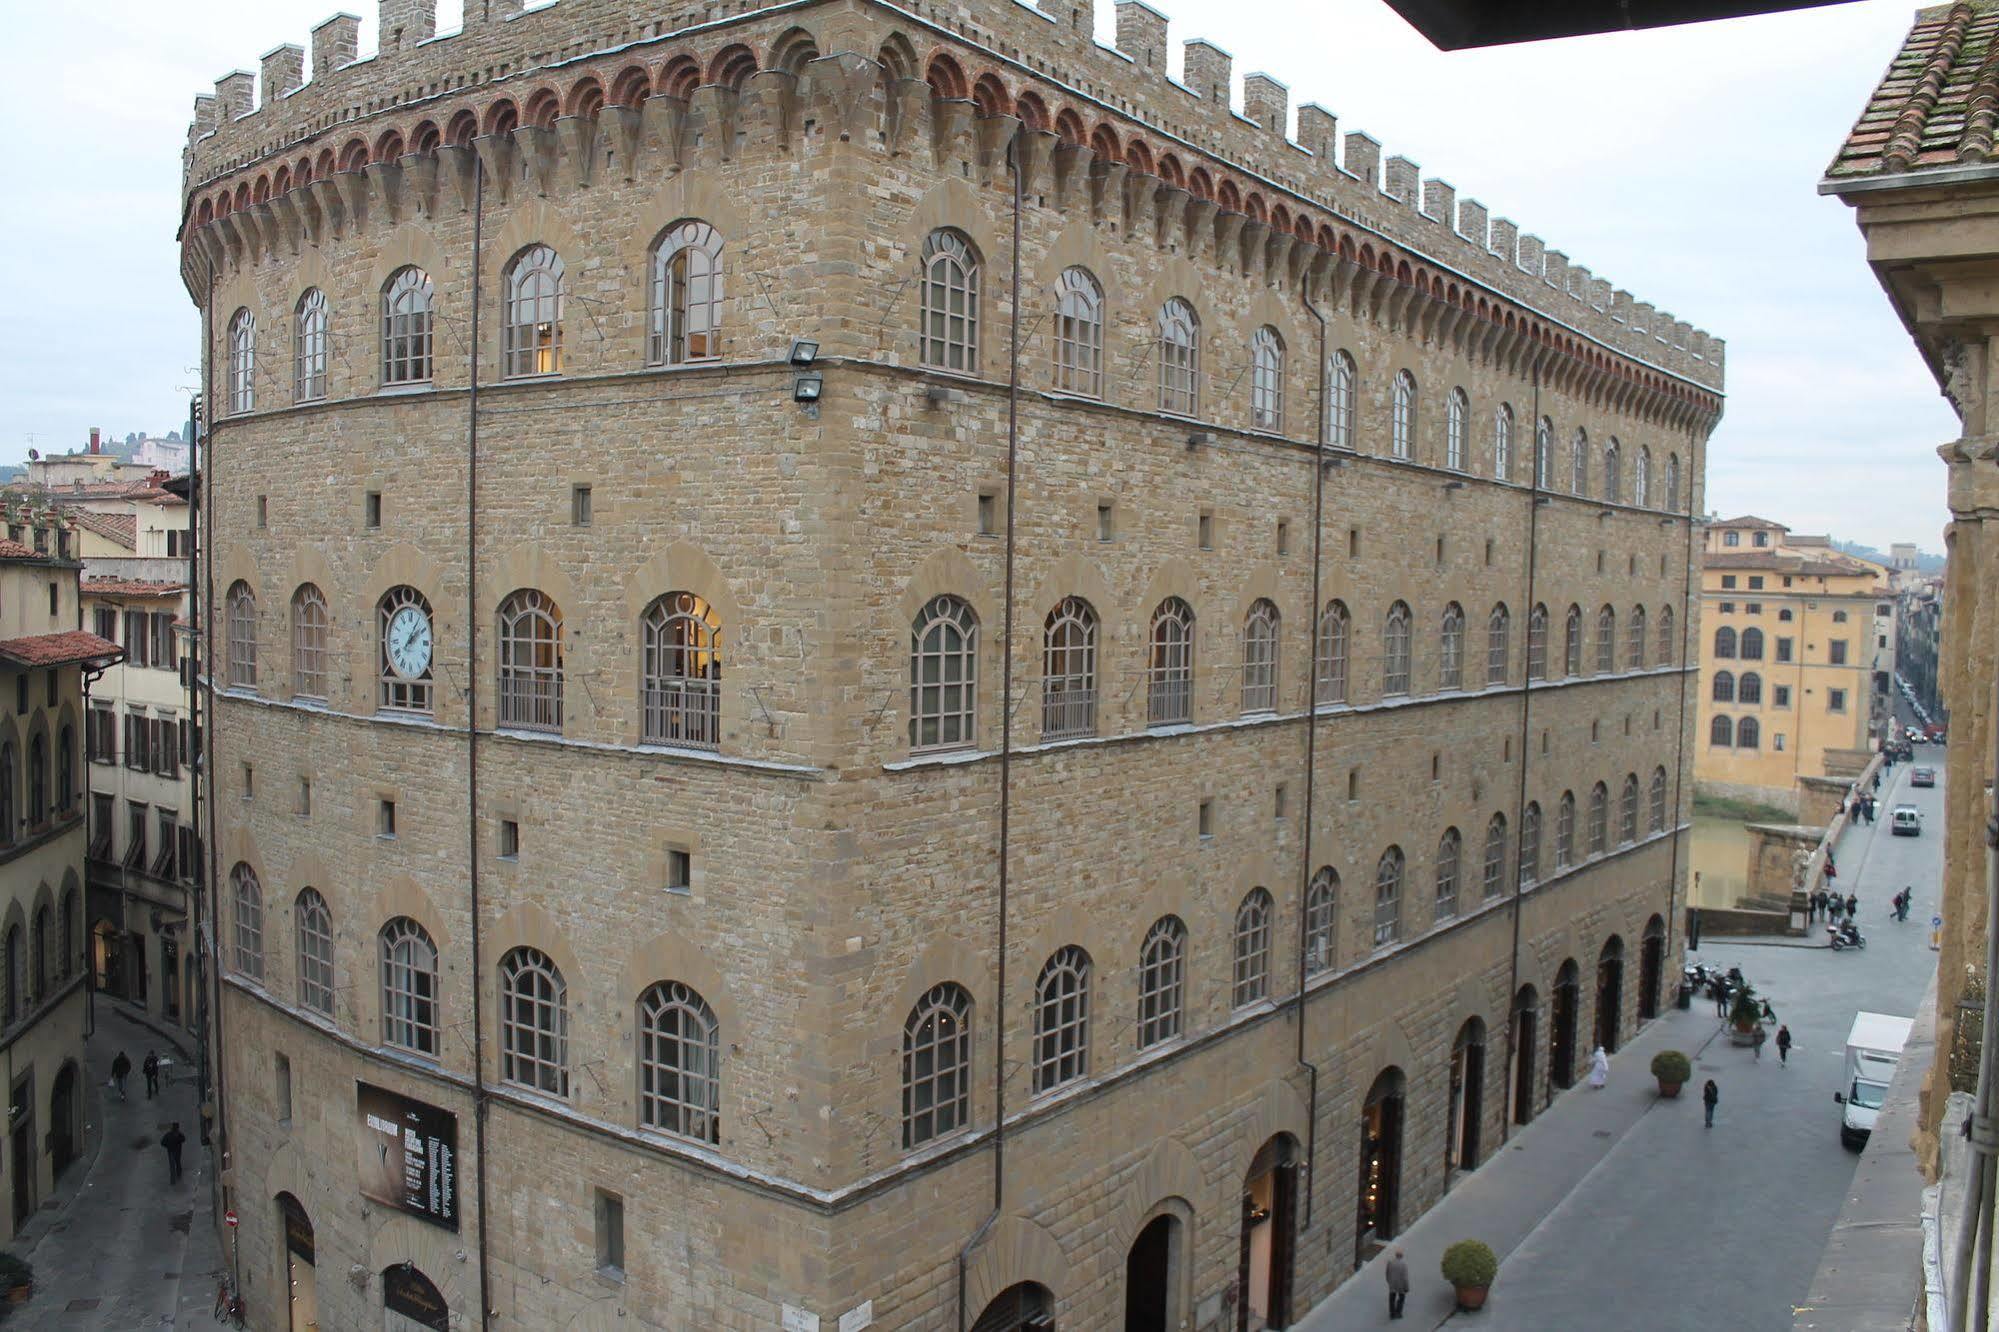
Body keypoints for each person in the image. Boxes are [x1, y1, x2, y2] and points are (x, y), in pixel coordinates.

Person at [1386, 1248, 1410, 1320]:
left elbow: (1387, 1273)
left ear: (1396, 1255)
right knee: (1401, 1299)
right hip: (1401, 1285)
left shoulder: (1390, 1262)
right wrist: (1407, 1287)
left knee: (1391, 1299)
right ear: (1402, 1256)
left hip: (1392, 1284)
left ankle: (1392, 1314)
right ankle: (1398, 1313)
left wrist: (1389, 1281)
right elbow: (1405, 1278)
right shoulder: (1404, 1264)